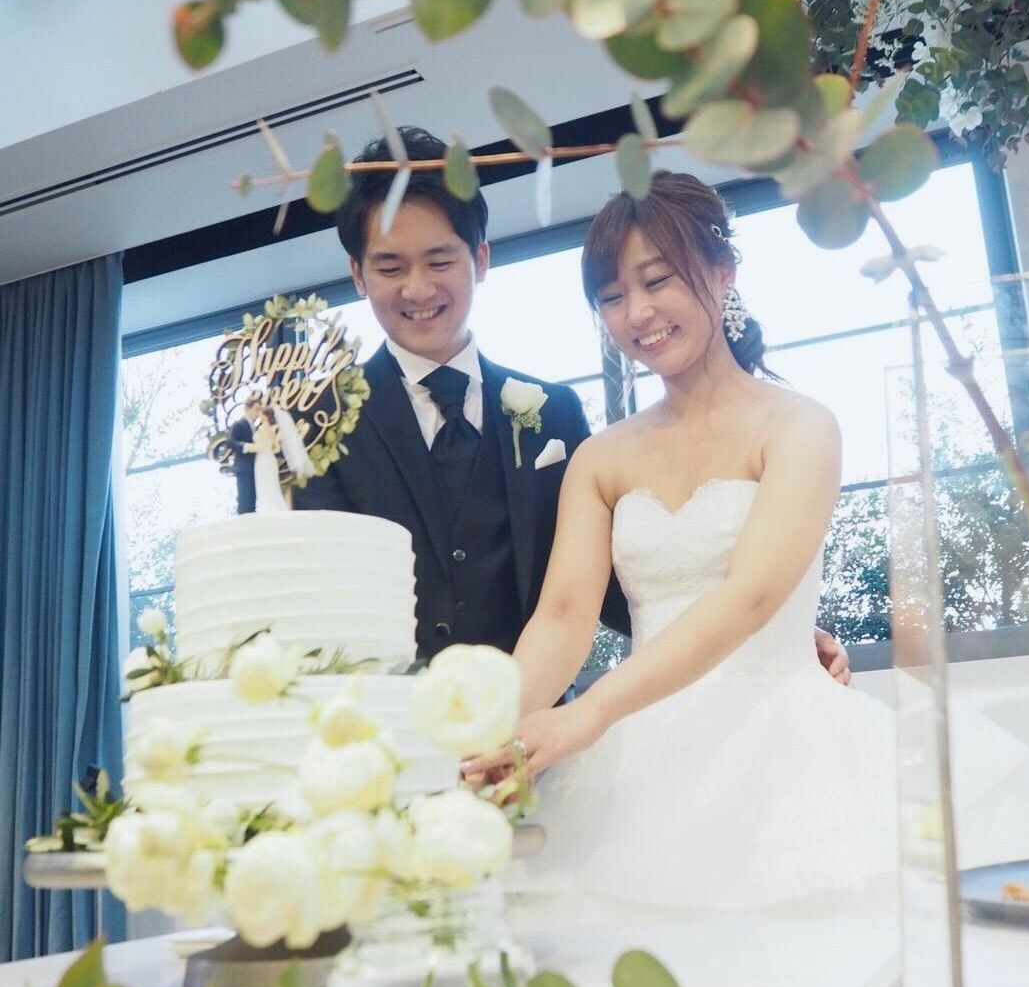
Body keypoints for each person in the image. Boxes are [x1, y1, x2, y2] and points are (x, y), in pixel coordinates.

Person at [464, 171, 898, 907]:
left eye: (657, 279)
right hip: (637, 758)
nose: (637, 312)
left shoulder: (800, 426)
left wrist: (589, 712)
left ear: (723, 272)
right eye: (611, 295)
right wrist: (493, 734)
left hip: (784, 746)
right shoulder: (600, 458)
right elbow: (563, 615)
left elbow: (749, 596)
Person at [294, 128, 851, 676]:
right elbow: (305, 599)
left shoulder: (553, 413)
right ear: (358, 275)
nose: (417, 289)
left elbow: (612, 584)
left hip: (535, 719)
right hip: (374, 723)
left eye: (439, 262)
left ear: (481, 259)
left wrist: (774, 636)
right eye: (390, 267)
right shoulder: (308, 424)